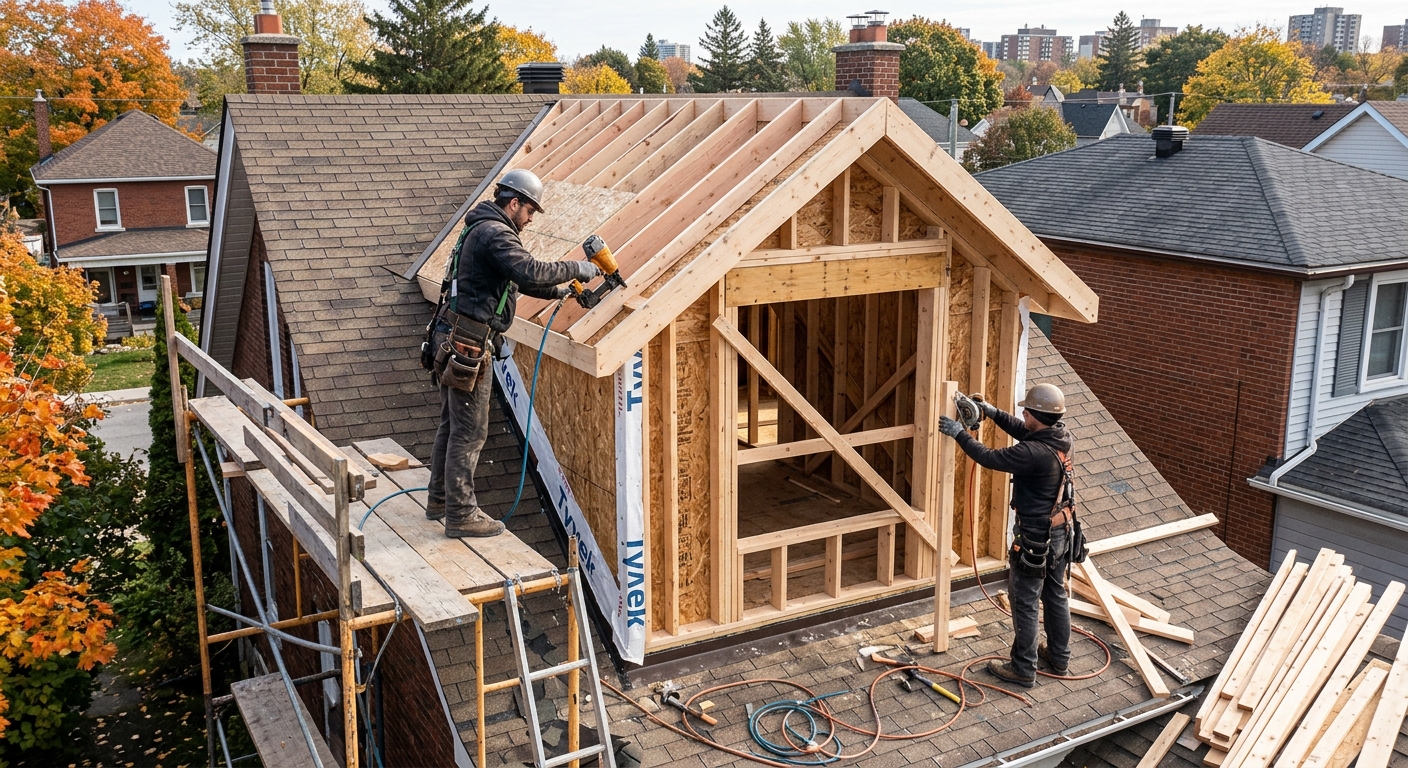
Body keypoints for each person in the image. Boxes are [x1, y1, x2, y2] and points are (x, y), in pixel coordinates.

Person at [426, 169, 601, 538]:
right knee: (470, 432)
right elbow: (529, 271)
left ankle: (440, 499)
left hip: (453, 336)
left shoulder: (482, 227)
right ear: (514, 202)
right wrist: (578, 268)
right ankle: (460, 515)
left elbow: (512, 281)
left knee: (452, 423)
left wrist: (558, 293)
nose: (531, 218)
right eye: (530, 209)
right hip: (468, 344)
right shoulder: (495, 232)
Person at [938, 383, 1074, 688]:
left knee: (1024, 601)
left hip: (1036, 539)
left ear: (1038, 416)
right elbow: (1022, 429)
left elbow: (990, 458)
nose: (1022, 413)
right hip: (1061, 533)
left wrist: (959, 433)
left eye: (1026, 411)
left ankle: (1023, 668)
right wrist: (991, 412)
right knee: (1055, 595)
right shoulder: (1059, 436)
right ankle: (1058, 657)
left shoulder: (1034, 453)